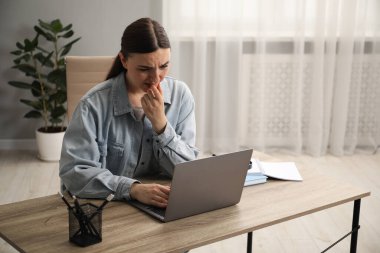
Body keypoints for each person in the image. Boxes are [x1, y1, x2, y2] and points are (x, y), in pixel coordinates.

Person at [59, 17, 199, 208]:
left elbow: (189, 172)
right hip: (107, 207)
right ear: (123, 60)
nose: (156, 78)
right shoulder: (92, 105)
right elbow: (74, 174)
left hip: (163, 203)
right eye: (144, 69)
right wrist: (132, 189)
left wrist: (161, 126)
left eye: (164, 66)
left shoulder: (181, 95)